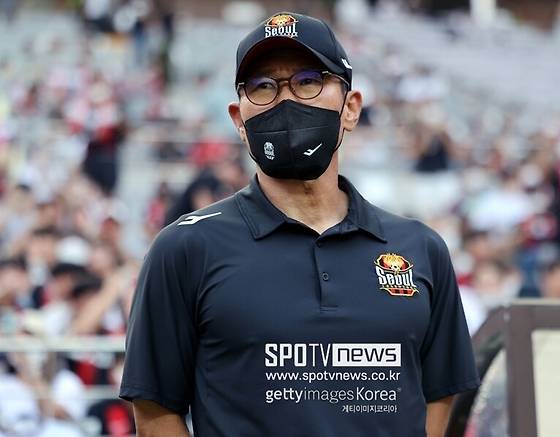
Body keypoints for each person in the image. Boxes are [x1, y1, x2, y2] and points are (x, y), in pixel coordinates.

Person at [120, 12, 480, 436]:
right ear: (238, 119)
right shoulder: (185, 247)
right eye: (263, 86)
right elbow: (156, 412)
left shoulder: (420, 248)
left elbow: (439, 393)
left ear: (351, 108)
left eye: (309, 81)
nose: (286, 101)